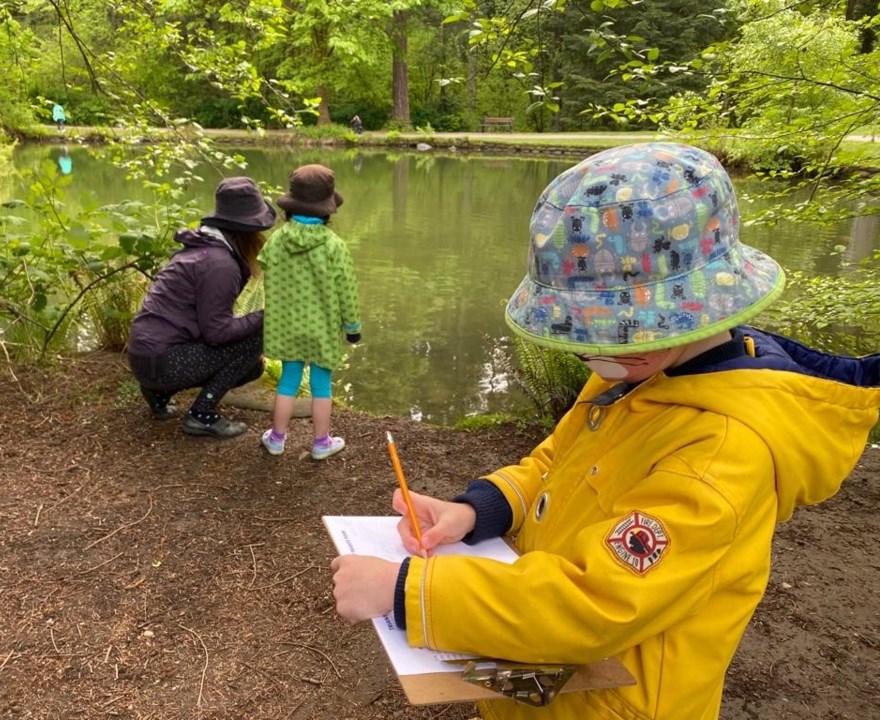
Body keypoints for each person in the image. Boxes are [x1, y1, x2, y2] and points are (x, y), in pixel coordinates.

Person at [329, 142, 880, 719]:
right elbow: (554, 462)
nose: (588, 353)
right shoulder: (634, 370)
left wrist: (406, 593)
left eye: (605, 334)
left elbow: (595, 604)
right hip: (541, 672)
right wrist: (477, 512)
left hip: (613, 702)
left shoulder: (721, 453)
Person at [127, 176, 276, 439]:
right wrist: (269, 314)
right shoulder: (221, 264)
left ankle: (159, 393)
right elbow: (217, 333)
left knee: (253, 365)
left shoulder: (201, 249)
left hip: (145, 359)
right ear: (245, 230)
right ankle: (201, 415)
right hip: (165, 361)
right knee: (258, 335)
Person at [258, 163, 361, 461]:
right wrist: (352, 326)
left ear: (290, 206)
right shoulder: (333, 245)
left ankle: (276, 439)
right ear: (327, 209)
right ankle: (321, 443)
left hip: (287, 325)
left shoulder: (277, 239)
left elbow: (263, 264)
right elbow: (348, 289)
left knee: (288, 380)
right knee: (321, 385)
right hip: (322, 328)